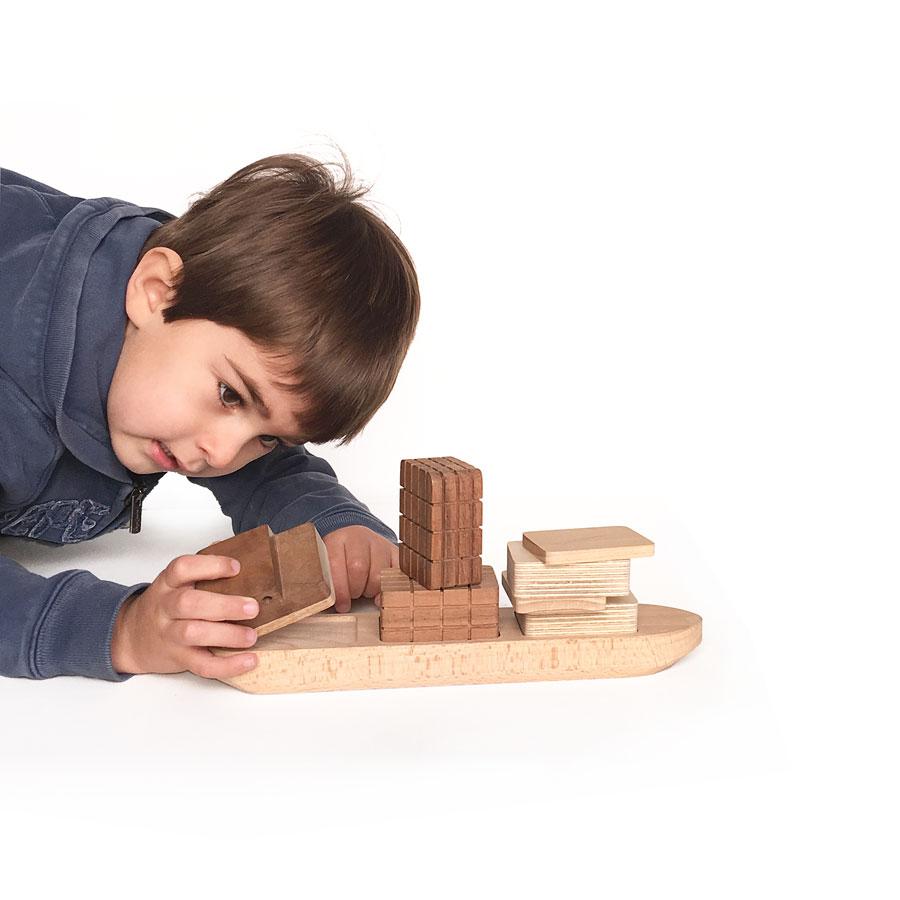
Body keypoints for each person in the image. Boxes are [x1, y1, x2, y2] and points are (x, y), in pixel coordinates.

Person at [0, 153, 419, 683]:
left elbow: (268, 472)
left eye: (268, 437)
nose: (221, 453)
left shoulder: (191, 317)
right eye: (229, 395)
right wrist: (121, 630)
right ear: (155, 292)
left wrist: (335, 524)